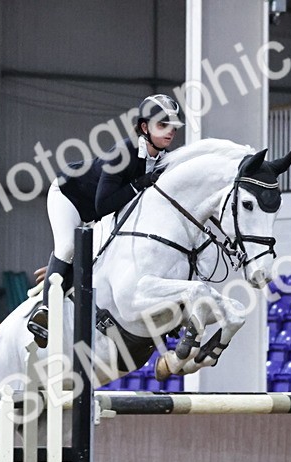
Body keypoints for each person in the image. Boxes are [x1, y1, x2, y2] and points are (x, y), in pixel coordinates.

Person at [26, 93, 184, 347]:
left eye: (173, 128)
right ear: (144, 127)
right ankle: (45, 312)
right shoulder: (122, 153)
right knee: (67, 246)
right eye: (162, 126)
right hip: (71, 196)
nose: (170, 133)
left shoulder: (162, 159)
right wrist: (139, 184)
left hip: (102, 210)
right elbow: (103, 205)